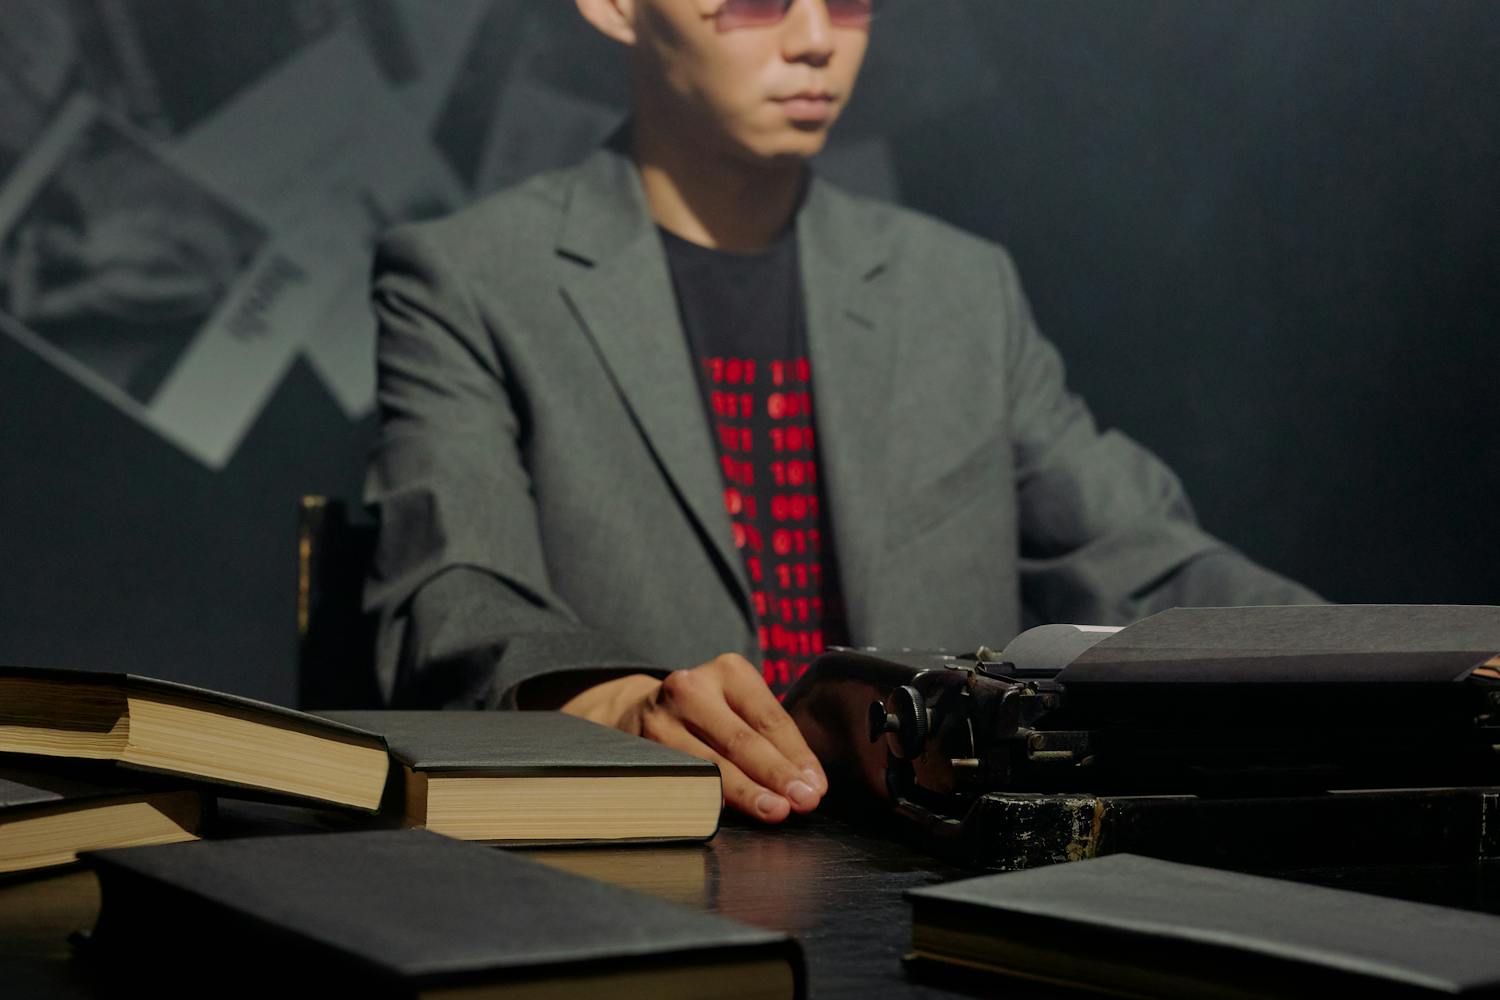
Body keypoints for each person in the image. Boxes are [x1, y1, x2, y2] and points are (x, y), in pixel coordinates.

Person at [365, 0, 1319, 825]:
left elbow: (1139, 559)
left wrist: (1394, 660)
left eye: (852, 1)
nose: (817, 38)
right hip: (653, 867)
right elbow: (453, 590)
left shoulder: (955, 289)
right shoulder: (471, 280)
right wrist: (615, 703)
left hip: (943, 865)